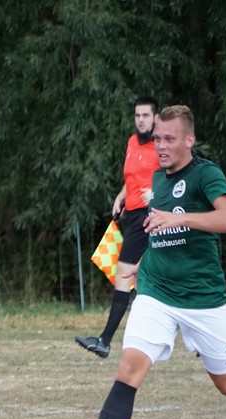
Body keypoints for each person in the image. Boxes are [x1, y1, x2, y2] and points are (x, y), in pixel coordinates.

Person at [65, 105, 226, 419]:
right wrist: (138, 263)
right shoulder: (156, 179)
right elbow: (159, 231)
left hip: (203, 299)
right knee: (128, 369)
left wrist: (179, 218)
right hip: (156, 293)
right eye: (157, 139)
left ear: (189, 140)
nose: (160, 145)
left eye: (169, 139)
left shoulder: (205, 174)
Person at [76, 96, 160, 358]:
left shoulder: (162, 145)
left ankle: (104, 340)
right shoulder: (132, 142)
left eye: (146, 115)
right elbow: (132, 177)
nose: (141, 120)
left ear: (156, 118)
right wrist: (121, 197)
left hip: (149, 216)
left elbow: (176, 177)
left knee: (124, 275)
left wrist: (156, 195)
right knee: (152, 278)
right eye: (137, 115)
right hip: (132, 215)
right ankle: (199, 339)